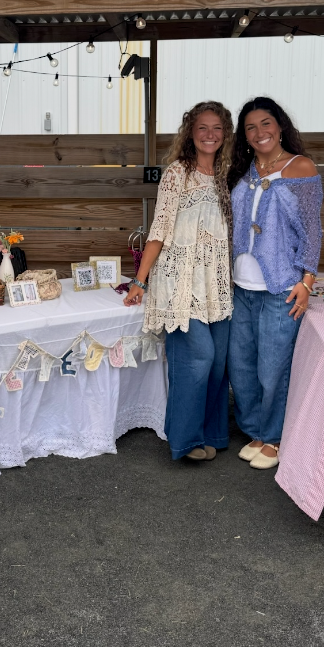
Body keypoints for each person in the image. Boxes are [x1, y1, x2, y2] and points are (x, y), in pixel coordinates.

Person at [124, 102, 234, 462]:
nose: (209, 135)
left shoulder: (225, 174)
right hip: (180, 280)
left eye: (216, 128)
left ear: (226, 133)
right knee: (197, 357)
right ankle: (185, 440)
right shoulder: (177, 173)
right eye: (202, 128)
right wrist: (140, 281)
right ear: (190, 132)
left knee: (218, 362)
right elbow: (159, 230)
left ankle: (213, 433)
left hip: (215, 282)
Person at [225, 97, 322, 470]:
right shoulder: (245, 169)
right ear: (245, 136)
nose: (259, 132)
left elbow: (313, 230)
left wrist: (307, 281)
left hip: (282, 286)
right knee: (242, 366)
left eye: (266, 123)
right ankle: (257, 431)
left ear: (280, 126)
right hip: (242, 286)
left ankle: (276, 437)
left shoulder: (300, 168)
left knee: (273, 368)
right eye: (251, 127)